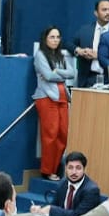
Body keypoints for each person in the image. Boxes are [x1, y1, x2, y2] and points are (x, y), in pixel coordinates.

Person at [32, 26, 76, 178]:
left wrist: (57, 72)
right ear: (45, 38)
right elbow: (47, 76)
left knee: (63, 134)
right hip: (46, 97)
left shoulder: (61, 55)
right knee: (50, 134)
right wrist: (58, 75)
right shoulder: (40, 55)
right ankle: (47, 170)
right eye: (52, 37)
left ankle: (56, 167)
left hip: (63, 97)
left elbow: (72, 73)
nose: (55, 40)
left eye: (58, 37)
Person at [46, 151, 101, 216]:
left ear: (84, 169)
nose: (74, 172)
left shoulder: (92, 190)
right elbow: (54, 205)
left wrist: (51, 209)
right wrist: (41, 209)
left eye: (78, 168)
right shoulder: (63, 183)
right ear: (66, 168)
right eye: (70, 168)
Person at [71, 0, 109, 90]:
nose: (108, 13)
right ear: (96, 13)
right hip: (88, 79)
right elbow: (68, 44)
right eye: (104, 10)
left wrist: (99, 56)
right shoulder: (85, 30)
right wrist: (80, 51)